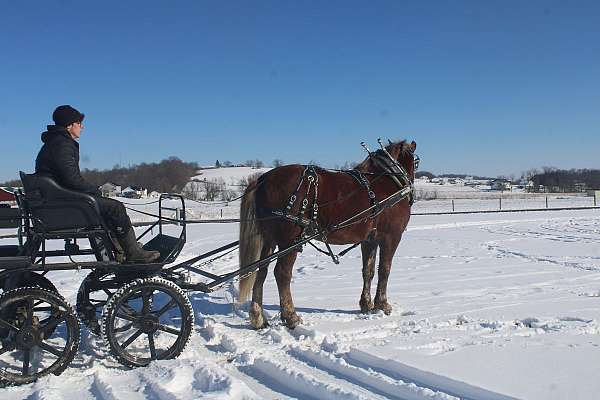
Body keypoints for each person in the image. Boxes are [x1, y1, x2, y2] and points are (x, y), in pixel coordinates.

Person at [35, 105, 160, 263]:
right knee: (115, 207)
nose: (82, 127)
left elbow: (67, 179)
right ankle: (133, 252)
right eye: (79, 123)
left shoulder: (55, 142)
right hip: (63, 203)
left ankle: (123, 249)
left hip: (57, 199)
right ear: (69, 125)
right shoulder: (62, 144)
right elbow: (71, 179)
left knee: (107, 207)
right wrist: (94, 190)